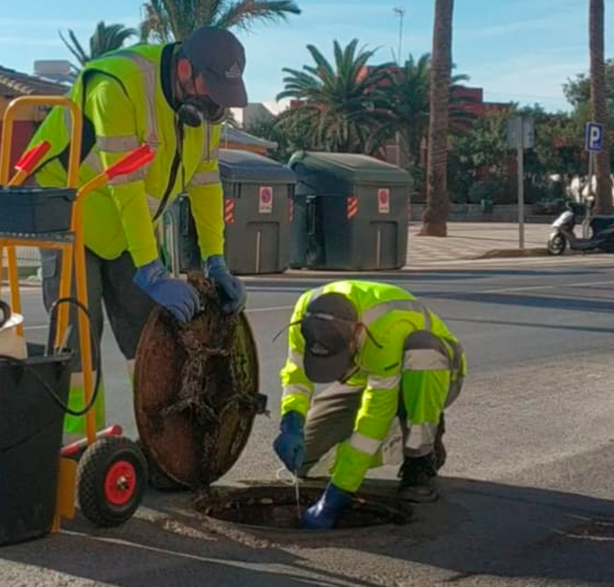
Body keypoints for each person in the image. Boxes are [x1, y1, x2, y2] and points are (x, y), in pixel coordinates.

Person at [23, 27, 248, 432]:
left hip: (129, 227)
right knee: (77, 340)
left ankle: (160, 447)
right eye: (210, 89)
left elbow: (206, 184)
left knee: (149, 338)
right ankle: (79, 450)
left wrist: (216, 259)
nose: (215, 104)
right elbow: (123, 185)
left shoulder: (206, 111)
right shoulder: (119, 85)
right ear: (184, 69)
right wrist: (152, 269)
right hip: (70, 214)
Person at [273, 281, 466, 529]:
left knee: (422, 352)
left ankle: (420, 452)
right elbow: (296, 373)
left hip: (434, 374)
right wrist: (292, 420)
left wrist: (339, 493)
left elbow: (375, 414)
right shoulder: (306, 311)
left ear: (357, 334)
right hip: (366, 376)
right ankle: (402, 430)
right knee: (307, 463)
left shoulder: (389, 325)